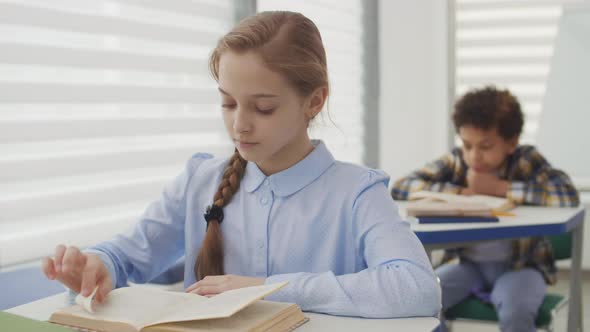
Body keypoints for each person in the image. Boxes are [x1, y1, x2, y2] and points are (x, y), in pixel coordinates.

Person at [42, 11, 440, 318]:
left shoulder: (357, 192)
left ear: (314, 102)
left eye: (263, 107)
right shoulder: (199, 179)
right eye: (228, 103)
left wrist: (266, 289)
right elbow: (129, 255)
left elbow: (417, 287)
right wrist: (97, 266)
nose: (239, 124)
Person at [391, 86, 579, 331]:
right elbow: (402, 187)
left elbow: (566, 194)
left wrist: (501, 187)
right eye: (467, 145)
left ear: (511, 142)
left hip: (521, 267)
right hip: (468, 266)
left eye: (486, 146)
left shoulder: (525, 159)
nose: (474, 156)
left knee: (515, 311)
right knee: (424, 299)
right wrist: (460, 192)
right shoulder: (457, 160)